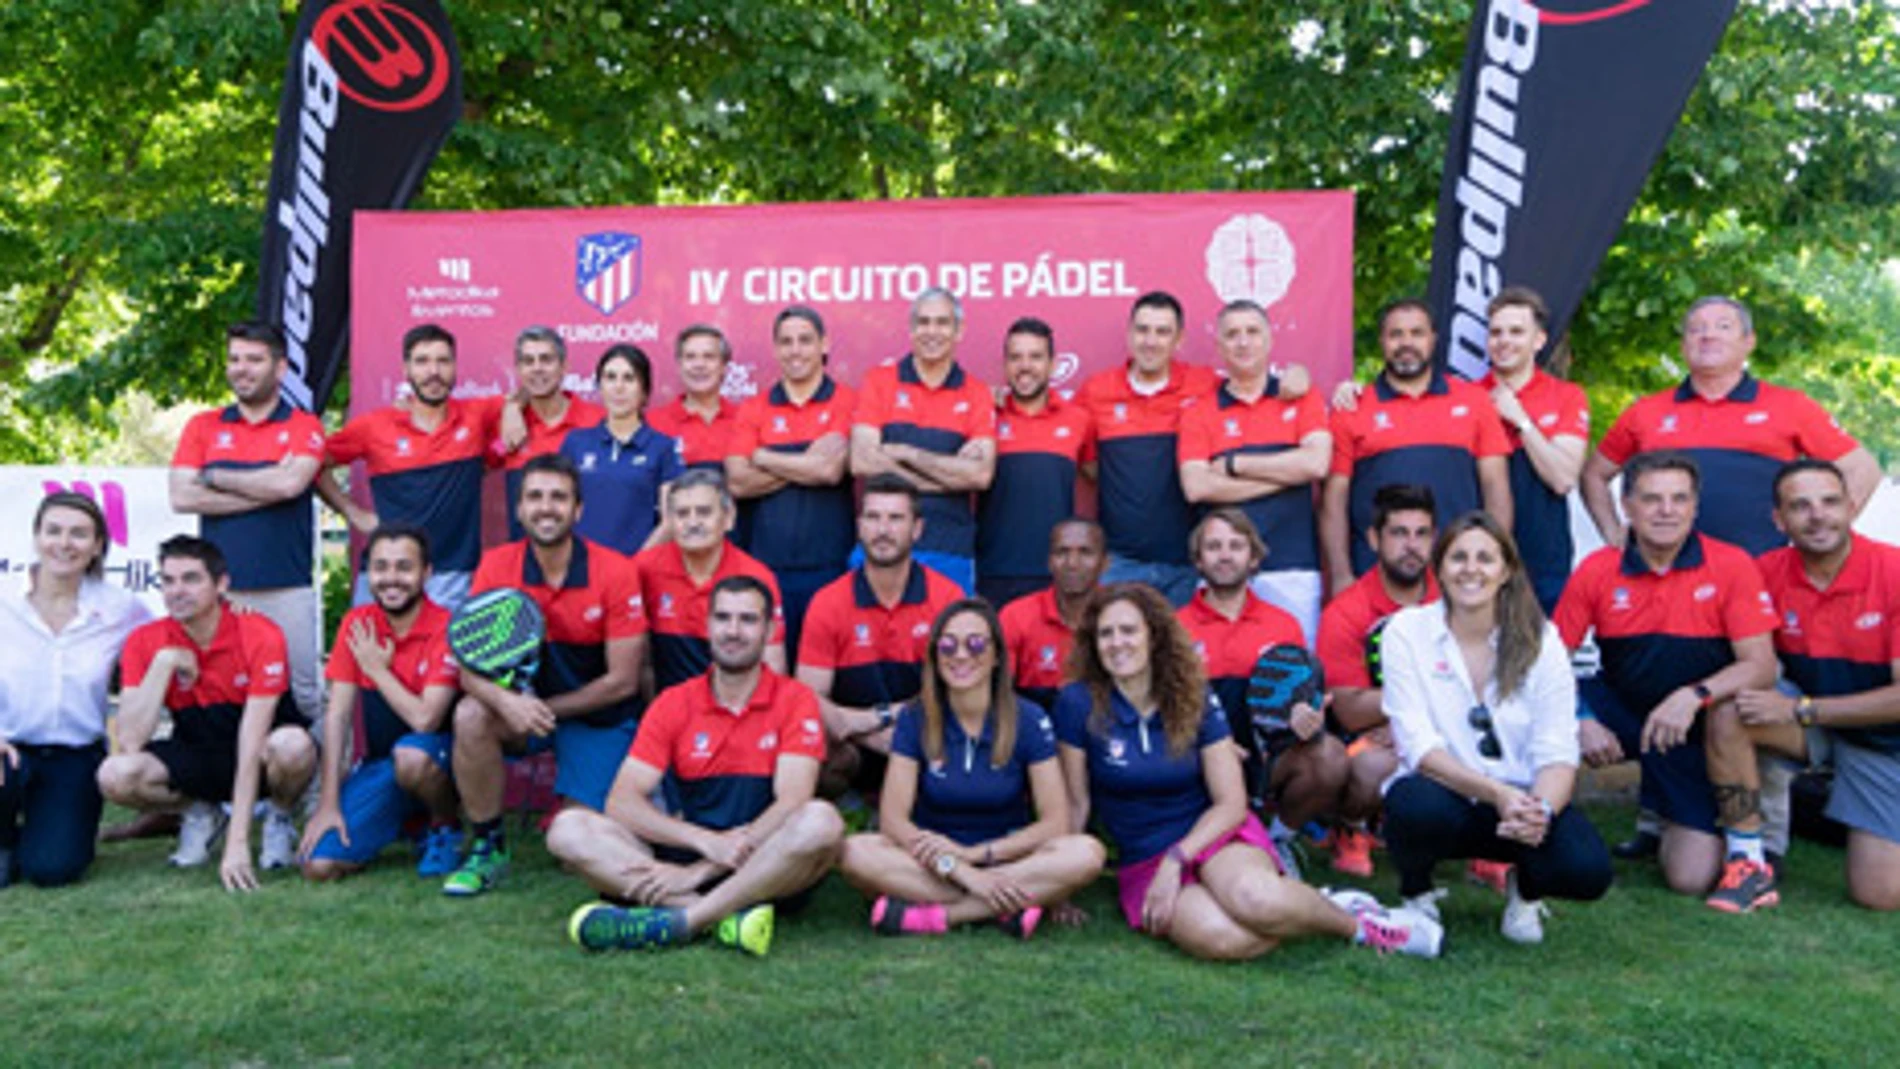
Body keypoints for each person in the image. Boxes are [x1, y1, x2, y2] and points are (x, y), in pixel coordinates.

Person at [1054, 584, 1442, 959]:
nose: (1117, 642)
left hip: (1213, 834)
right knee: (1227, 939)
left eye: (1128, 630)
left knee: (1256, 900)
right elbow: (1076, 802)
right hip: (1144, 857)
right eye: (1106, 633)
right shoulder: (1077, 703)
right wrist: (1061, 888)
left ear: (1153, 637)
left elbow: (1231, 802)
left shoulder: (1193, 695)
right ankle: (1308, 903)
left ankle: (1361, 925)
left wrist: (1177, 859)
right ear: (1093, 643)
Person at [551, 576, 842, 956]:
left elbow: (791, 802)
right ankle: (717, 918)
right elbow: (622, 803)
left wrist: (701, 871)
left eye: (748, 620)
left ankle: (681, 920)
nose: (733, 631)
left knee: (821, 821)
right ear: (707, 626)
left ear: (770, 631)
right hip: (690, 853)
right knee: (568, 829)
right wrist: (704, 843)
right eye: (722, 618)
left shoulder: (795, 699)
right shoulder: (674, 702)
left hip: (766, 864)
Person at [1554, 451, 1780, 911]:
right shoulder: (1598, 568)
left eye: (1679, 499)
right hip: (1620, 703)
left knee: (1689, 877)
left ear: (1695, 507)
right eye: (1652, 499)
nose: (1666, 510)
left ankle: (1681, 819)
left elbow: (1761, 666)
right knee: (1533, 718)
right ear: (1627, 507)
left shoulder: (1731, 564)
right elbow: (1549, 663)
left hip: (1688, 726)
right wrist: (1579, 716)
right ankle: (1516, 847)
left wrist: (1694, 696)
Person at [1380, 513, 1613, 945]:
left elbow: (1558, 753)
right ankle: (1416, 894)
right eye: (1458, 558)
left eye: (1485, 558)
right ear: (1439, 568)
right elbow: (1418, 748)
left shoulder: (1542, 641)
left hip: (1520, 804)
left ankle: (1525, 892)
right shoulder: (1406, 631)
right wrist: (1496, 794)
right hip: (1446, 795)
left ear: (1506, 571)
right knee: (1412, 804)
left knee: (1587, 870)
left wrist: (1538, 812)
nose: (1471, 569)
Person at [441, 454, 647, 897]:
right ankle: (488, 847)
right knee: (470, 715)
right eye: (534, 497)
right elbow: (468, 671)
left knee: (575, 851)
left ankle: (572, 801)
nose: (545, 507)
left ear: (578, 510)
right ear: (519, 509)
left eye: (558, 497)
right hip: (521, 710)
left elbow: (624, 681)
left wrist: (542, 710)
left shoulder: (616, 570)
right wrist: (507, 702)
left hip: (597, 717)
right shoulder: (497, 565)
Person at [837, 599, 1105, 936]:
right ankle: (1005, 907)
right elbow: (893, 821)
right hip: (933, 863)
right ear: (935, 656)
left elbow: (1055, 822)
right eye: (947, 644)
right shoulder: (916, 717)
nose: (960, 655)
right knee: (855, 851)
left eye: (976, 643)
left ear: (996, 657)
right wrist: (961, 871)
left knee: (1086, 852)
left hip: (1006, 857)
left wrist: (975, 856)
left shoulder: (1029, 719)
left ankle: (938, 917)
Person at [96, 536, 317, 892]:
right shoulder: (145, 640)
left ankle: (279, 815)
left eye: (191, 579)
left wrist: (239, 843)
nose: (177, 591)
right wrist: (164, 663)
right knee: (115, 774)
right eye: (168, 580)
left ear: (221, 584)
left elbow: (252, 739)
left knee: (292, 745)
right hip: (199, 749)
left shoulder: (259, 633)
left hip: (259, 751)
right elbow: (131, 740)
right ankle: (201, 812)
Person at [1581, 296, 1880, 557]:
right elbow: (1594, 475)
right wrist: (1612, 532)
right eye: (1696, 329)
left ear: (1748, 342)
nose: (1708, 336)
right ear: (1684, 346)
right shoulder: (1645, 411)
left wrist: (1822, 536)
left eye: (1723, 327)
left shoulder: (1791, 406)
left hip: (1759, 576)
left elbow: (1862, 469)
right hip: (1664, 579)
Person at [1734, 459, 1900, 910]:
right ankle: (1749, 857)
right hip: (1820, 727)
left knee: (1880, 894)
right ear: (1779, 519)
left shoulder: (1894, 572)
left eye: (1829, 502)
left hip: (1886, 742)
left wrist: (1800, 710)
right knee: (1732, 709)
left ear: (1851, 506)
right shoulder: (1763, 571)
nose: (1817, 515)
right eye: (1800, 506)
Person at [168, 320, 326, 727]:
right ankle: (228, 789)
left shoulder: (303, 425)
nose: (242, 368)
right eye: (235, 359)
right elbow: (182, 496)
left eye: (254, 360)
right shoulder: (203, 425)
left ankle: (315, 792)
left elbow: (292, 484)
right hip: (221, 592)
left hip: (286, 589)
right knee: (220, 696)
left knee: (304, 699)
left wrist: (216, 477)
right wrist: (265, 486)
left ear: (280, 367)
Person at [1177, 508, 1346, 877]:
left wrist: (1308, 720)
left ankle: (1279, 838)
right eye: (1214, 546)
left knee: (1330, 756)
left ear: (1253, 558)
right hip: (1199, 759)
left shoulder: (1283, 624)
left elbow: (1298, 700)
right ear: (1197, 560)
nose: (1225, 555)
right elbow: (1164, 710)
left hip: (1266, 758)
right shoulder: (1174, 628)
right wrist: (1213, 746)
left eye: (1236, 546)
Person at [0, 492, 151, 888]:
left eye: (79, 534)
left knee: (53, 869)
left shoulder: (120, 607)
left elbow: (169, 636)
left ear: (99, 545)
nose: (64, 544)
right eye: (54, 531)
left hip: (75, 756)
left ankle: (32, 841)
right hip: (7, 749)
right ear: (36, 537)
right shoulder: (3, 599)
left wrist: (230, 613)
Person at [299, 525, 462, 880]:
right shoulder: (357, 624)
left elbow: (425, 720)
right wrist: (328, 802)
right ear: (368, 574)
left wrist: (376, 669)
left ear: (426, 573)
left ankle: (444, 827)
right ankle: (406, 822)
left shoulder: (446, 627)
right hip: (383, 764)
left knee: (412, 756)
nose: (391, 579)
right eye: (380, 567)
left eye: (404, 567)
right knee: (319, 866)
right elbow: (337, 716)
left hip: (441, 760)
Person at [1321, 298, 1512, 590]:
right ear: (1382, 342)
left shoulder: (1474, 401)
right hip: (1377, 576)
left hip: (1460, 572)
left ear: (1433, 339)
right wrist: (1341, 574)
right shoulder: (1351, 408)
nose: (1406, 342)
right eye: (1395, 334)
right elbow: (1334, 502)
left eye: (1416, 333)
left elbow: (1496, 487)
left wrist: (1494, 557)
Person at [316, 323, 501, 610]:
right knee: (370, 653)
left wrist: (514, 410)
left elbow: (530, 399)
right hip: (385, 575)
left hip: (452, 577)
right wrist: (351, 511)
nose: (433, 372)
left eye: (443, 361)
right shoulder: (373, 426)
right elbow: (311, 463)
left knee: (445, 657)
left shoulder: (476, 416)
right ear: (406, 370)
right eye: (422, 361)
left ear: (455, 367)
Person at [797, 475, 964, 793]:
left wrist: (875, 719)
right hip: (853, 748)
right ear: (860, 526)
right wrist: (867, 735)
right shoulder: (828, 601)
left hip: (922, 739)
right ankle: (847, 817)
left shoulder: (947, 598)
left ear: (917, 529)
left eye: (895, 518)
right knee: (812, 742)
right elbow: (808, 697)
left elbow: (955, 692)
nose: (883, 530)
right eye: (873, 517)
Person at [1178, 300, 1331, 643]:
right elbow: (1197, 487)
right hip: (1222, 569)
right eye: (1232, 334)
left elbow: (1316, 464)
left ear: (1269, 340)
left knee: (1293, 678)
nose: (1243, 341)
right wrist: (1285, 476)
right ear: (1219, 346)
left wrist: (1235, 465)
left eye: (1252, 332)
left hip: (1291, 567)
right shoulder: (1200, 411)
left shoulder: (1302, 397)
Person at [1315, 484, 1441, 879]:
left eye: (1421, 534)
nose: (1412, 546)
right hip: (1375, 736)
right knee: (1368, 766)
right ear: (1374, 540)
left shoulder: (1453, 597)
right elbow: (1350, 710)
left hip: (1440, 727)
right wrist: (1416, 713)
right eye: (1399, 534)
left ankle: (1485, 847)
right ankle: (1352, 828)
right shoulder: (1347, 610)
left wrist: (1406, 714)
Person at [725, 306, 857, 666]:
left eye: (804, 340)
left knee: (823, 673)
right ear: (776, 348)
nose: (795, 350)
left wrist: (764, 457)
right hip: (765, 567)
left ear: (823, 344)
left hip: (830, 566)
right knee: (770, 679)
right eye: (786, 342)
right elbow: (737, 480)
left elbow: (831, 471)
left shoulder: (846, 400)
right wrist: (807, 461)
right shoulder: (755, 407)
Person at [850, 288, 997, 593]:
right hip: (880, 546)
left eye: (942, 323)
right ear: (911, 328)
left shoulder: (976, 392)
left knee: (945, 639)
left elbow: (980, 475)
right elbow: (862, 460)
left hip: (950, 548)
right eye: (924, 322)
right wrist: (951, 472)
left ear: (959, 331)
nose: (932, 332)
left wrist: (905, 454)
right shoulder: (880, 380)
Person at [1077, 291, 1219, 606]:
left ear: (1179, 339)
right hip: (1120, 563)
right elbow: (1086, 464)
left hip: (1189, 563)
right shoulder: (1096, 390)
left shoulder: (1205, 384)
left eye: (1162, 331)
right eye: (1142, 330)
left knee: (1181, 655)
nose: (1150, 341)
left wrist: (1295, 379)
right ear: (1129, 334)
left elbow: (1252, 390)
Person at [1479, 288, 1591, 613]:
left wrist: (1521, 420)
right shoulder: (1466, 397)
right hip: (1479, 558)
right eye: (1496, 332)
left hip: (1545, 561)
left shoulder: (1567, 396)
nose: (1504, 340)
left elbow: (1563, 479)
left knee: (1541, 658)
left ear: (1538, 340)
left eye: (1516, 331)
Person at [976, 317, 1095, 609]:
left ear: (1053, 365)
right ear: (1005, 365)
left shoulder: (1079, 419)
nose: (1025, 366)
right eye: (1016, 357)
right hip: (994, 572)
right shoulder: (985, 415)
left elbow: (1100, 477)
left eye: (1035, 357)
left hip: (1057, 574)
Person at [633, 469, 787, 693]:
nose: (693, 523)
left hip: (737, 706)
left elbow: (773, 667)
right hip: (667, 708)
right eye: (682, 514)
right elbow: (640, 662)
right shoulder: (644, 568)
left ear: (728, 518)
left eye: (704, 512)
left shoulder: (755, 577)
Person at [559, 344, 683, 556]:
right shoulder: (575, 443)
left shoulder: (663, 448)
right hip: (581, 570)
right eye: (610, 377)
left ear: (644, 390)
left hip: (637, 572)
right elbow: (558, 508)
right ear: (599, 386)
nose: (619, 387)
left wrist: (633, 567)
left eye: (629, 378)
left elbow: (670, 521)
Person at [496, 326, 605, 539]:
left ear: (564, 367)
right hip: (527, 564)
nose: (537, 368)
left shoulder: (598, 421)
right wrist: (511, 409)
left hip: (588, 561)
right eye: (529, 361)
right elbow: (490, 457)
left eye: (546, 359)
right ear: (518, 369)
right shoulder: (506, 429)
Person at [999, 518, 1107, 710]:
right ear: (1049, 562)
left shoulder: (1120, 615)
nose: (1072, 563)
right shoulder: (1015, 616)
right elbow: (999, 695)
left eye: (1085, 552)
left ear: (1105, 563)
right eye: (1062, 552)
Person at [649, 324, 741, 471]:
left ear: (724, 366)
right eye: (690, 357)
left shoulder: (746, 420)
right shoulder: (653, 424)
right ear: (679, 365)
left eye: (709, 357)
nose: (699, 365)